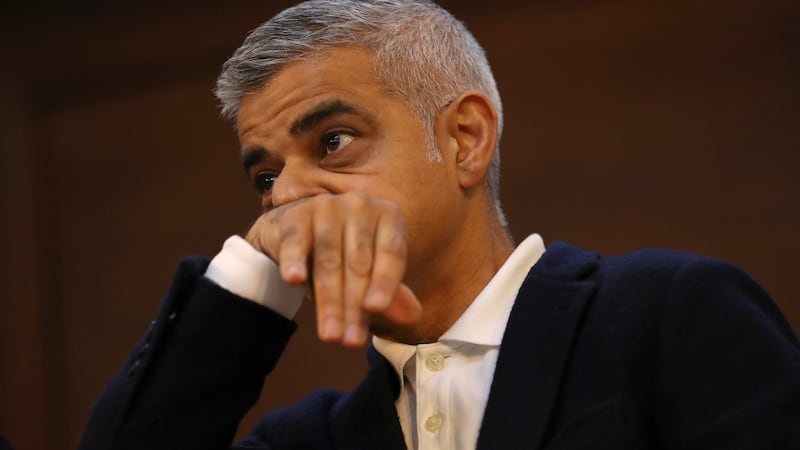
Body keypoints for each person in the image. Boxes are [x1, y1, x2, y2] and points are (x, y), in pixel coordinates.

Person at [76, 1, 800, 449]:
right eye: (265, 177)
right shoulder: (308, 438)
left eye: (332, 140)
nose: (287, 195)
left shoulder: (670, 313)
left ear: (465, 139)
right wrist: (251, 279)